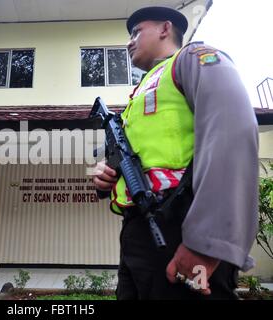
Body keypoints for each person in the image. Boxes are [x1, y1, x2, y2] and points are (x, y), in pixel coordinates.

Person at [93, 6, 259, 299]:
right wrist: (107, 175)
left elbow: (232, 129)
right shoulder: (140, 92)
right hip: (138, 232)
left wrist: (207, 243)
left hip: (182, 229)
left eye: (136, 32)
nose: (129, 41)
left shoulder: (191, 59)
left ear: (165, 29)